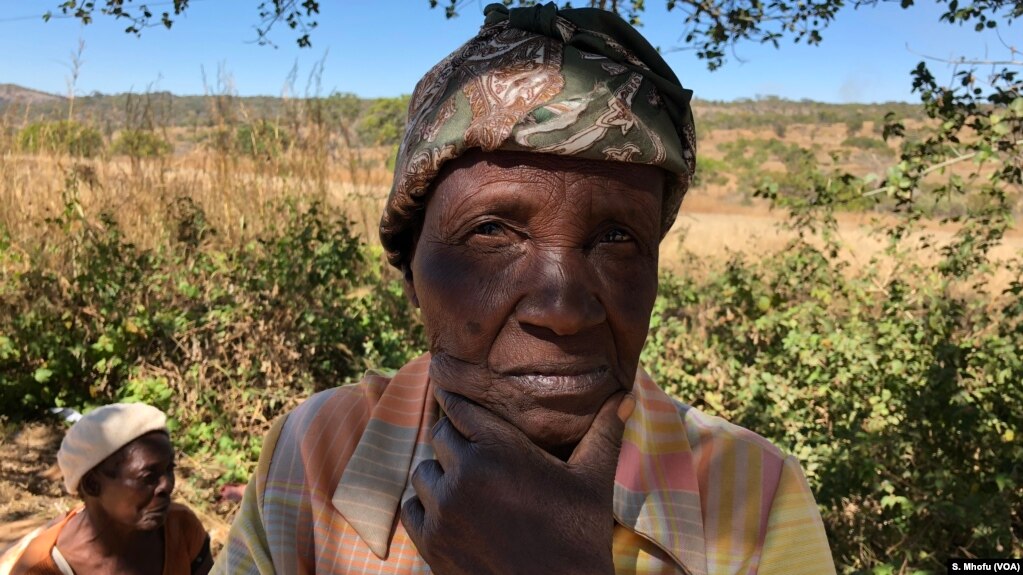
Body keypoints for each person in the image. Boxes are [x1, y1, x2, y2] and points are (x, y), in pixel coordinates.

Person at [214, 3, 837, 574]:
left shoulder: (751, 496)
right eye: (491, 233)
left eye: (618, 239)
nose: (562, 310)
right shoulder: (318, 452)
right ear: (408, 269)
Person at [1, 403, 213, 575]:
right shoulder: (43, 568)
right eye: (148, 477)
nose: (167, 485)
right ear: (93, 485)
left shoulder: (180, 528)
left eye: (169, 469)